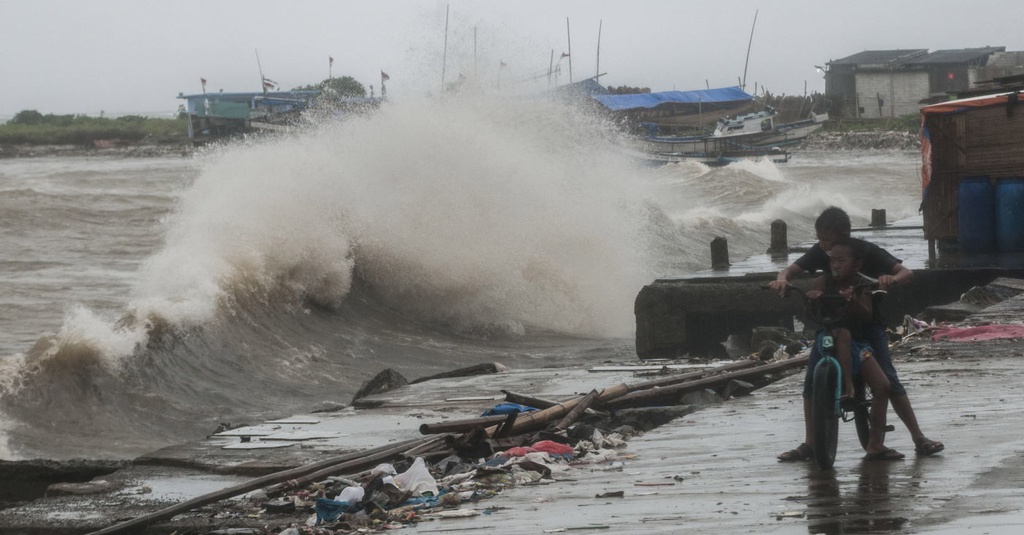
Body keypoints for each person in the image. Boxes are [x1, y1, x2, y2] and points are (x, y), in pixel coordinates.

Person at [770, 207, 944, 461]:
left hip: (867, 326)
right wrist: (782, 280)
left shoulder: (866, 253)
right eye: (820, 240)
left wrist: (889, 280)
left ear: (844, 234)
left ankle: (918, 437)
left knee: (888, 379)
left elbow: (906, 273)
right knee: (810, 383)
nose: (824, 248)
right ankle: (811, 443)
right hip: (833, 324)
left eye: (827, 240)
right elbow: (790, 272)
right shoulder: (822, 253)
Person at [805, 237, 898, 459]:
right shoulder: (822, 281)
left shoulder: (860, 285)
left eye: (842, 261)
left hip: (857, 344)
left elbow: (866, 315)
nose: (836, 265)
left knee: (883, 386)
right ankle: (846, 389)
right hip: (826, 339)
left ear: (856, 265)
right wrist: (812, 300)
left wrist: (852, 300)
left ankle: (875, 443)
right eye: (832, 261)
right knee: (810, 384)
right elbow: (810, 317)